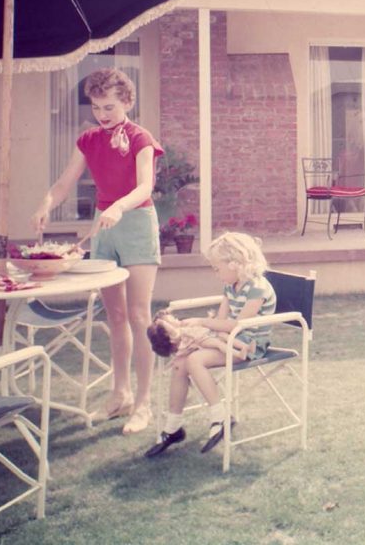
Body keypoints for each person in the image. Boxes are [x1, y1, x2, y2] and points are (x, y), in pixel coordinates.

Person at [32, 68, 163, 435]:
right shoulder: (88, 139)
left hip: (135, 224)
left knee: (139, 316)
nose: (102, 114)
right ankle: (119, 394)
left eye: (109, 106)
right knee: (115, 316)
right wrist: (45, 203)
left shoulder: (141, 138)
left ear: (126, 102)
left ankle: (144, 404)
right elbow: (62, 183)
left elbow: (145, 186)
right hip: (103, 228)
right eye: (96, 106)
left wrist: (119, 206)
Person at [145, 232, 276, 457]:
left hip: (249, 346)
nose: (216, 273)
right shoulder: (231, 286)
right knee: (180, 362)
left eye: (217, 268)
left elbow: (237, 325)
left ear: (236, 263)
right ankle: (173, 427)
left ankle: (220, 417)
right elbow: (221, 323)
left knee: (195, 360)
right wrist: (202, 334)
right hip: (228, 339)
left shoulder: (257, 288)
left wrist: (201, 323)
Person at [147, 310, 252, 361]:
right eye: (173, 320)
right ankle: (238, 354)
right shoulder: (178, 334)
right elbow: (172, 330)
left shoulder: (183, 326)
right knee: (219, 344)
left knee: (224, 335)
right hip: (203, 340)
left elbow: (200, 324)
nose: (177, 320)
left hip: (210, 334)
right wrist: (160, 322)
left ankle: (245, 347)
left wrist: (209, 319)